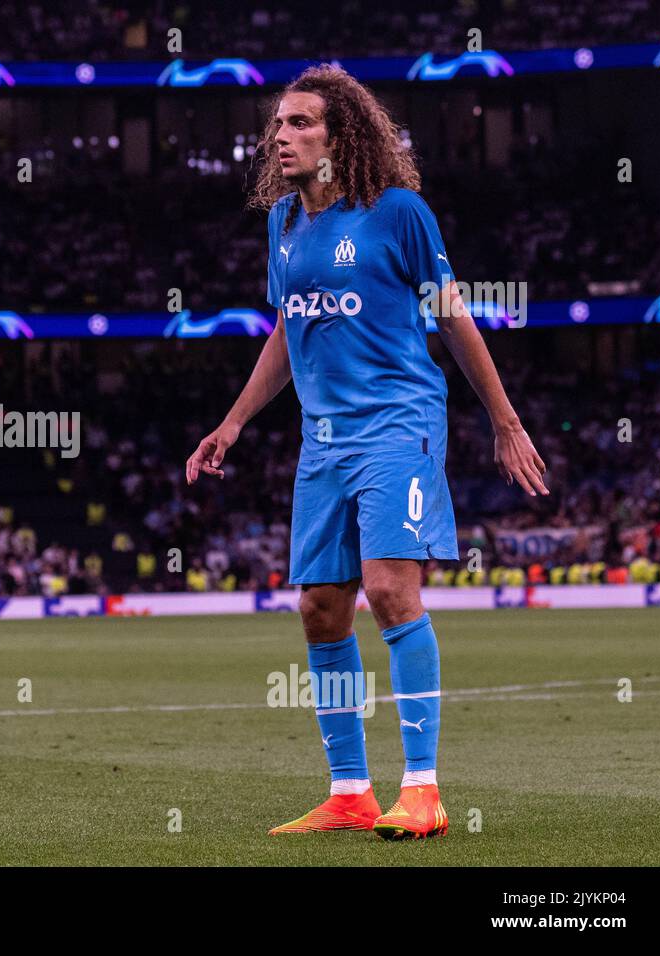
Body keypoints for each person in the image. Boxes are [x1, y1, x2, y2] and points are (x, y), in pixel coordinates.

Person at [186, 65, 549, 840]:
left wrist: (506, 421)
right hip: (322, 441)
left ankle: (423, 791)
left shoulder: (399, 214)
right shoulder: (284, 223)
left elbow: (452, 319)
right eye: (277, 124)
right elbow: (288, 329)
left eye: (300, 123)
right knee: (319, 609)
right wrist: (235, 422)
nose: (280, 136)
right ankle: (350, 792)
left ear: (340, 134)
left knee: (389, 590)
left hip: (398, 426)